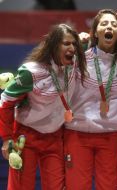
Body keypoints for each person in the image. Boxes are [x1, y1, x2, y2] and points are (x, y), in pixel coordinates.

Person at [0, 23, 86, 190]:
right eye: (66, 44)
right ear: (53, 45)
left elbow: (102, 40)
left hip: (54, 137)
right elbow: (5, 102)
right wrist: (7, 139)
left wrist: (85, 37)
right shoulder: (31, 72)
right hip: (26, 136)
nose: (72, 48)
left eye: (74, 44)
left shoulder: (74, 62)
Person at [64, 9, 117, 190]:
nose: (109, 27)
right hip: (77, 133)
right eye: (104, 24)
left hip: (112, 136)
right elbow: (50, 56)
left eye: (114, 24)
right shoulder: (79, 59)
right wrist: (74, 43)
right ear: (94, 32)